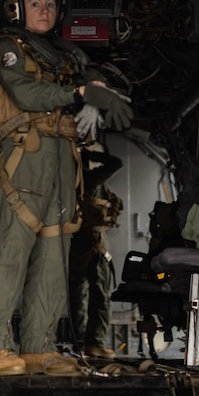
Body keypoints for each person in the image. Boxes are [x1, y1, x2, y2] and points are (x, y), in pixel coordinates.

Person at [0, 0, 133, 376]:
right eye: (34, 4)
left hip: (64, 155)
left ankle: (38, 347)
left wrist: (95, 89)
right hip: (26, 151)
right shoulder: (7, 47)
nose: (43, 11)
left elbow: (89, 70)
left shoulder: (63, 55)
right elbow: (27, 93)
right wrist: (80, 94)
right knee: (12, 250)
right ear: (18, 8)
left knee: (53, 254)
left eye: (49, 4)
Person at [69, 145, 123, 359]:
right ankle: (95, 342)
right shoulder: (90, 179)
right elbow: (116, 163)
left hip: (75, 242)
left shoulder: (69, 181)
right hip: (94, 242)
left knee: (77, 294)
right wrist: (91, 154)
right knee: (100, 293)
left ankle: (79, 343)